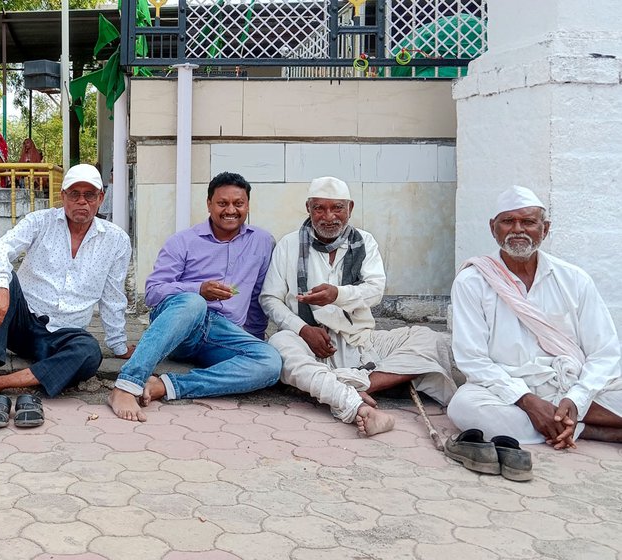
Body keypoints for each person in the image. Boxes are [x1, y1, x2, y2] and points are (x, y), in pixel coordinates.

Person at [260, 176, 455, 436]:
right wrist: (302, 329)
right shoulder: (288, 245)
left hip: (360, 341)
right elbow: (270, 298)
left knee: (430, 339)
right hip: (308, 341)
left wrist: (337, 295)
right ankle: (355, 403)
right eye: (320, 208)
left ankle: (354, 387)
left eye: (337, 208)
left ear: (350, 208)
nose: (329, 217)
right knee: (280, 347)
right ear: (308, 208)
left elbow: (375, 290)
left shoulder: (365, 242)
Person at [0, 164, 133, 425]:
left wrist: (118, 346)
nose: (82, 201)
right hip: (22, 323)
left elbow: (113, 296)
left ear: (101, 199)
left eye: (90, 195)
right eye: (74, 194)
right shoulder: (40, 222)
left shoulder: (116, 240)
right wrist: (2, 286)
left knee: (89, 352)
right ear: (62, 196)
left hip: (64, 335)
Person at [448, 185, 622, 448]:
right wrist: (527, 400)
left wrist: (576, 398)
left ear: (545, 228)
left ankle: (565, 419)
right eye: (508, 221)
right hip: (508, 388)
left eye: (528, 221)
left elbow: (605, 352)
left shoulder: (574, 279)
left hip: (572, 383)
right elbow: (472, 360)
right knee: (463, 407)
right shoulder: (471, 281)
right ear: (493, 228)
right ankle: (591, 431)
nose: (518, 229)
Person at [108, 171, 281, 422]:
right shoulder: (183, 241)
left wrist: (251, 339)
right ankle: (125, 385)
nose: (230, 210)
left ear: (248, 205)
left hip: (222, 334)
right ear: (209, 204)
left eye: (238, 203)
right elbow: (153, 292)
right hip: (182, 330)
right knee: (193, 302)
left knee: (270, 363)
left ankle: (166, 386)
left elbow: (257, 297)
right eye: (222, 203)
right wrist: (197, 289)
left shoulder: (263, 242)